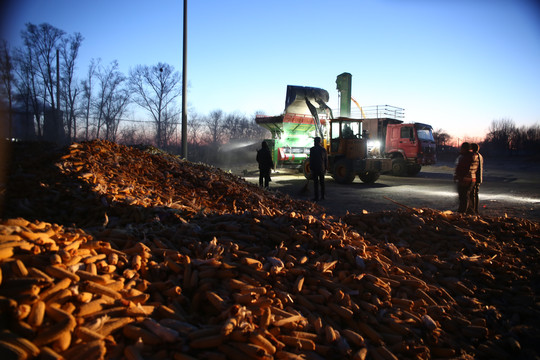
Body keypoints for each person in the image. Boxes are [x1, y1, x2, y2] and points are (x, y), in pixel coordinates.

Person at [454, 142, 479, 213]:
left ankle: (462, 212)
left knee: (463, 197)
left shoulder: (466, 157)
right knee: (467, 196)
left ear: (465, 149)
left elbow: (463, 168)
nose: (460, 149)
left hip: (465, 179)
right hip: (472, 178)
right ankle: (470, 212)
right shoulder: (474, 156)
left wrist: (459, 176)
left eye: (461, 148)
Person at [309, 136, 328, 201]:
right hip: (321, 168)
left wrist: (311, 169)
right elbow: (326, 160)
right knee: (322, 183)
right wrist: (325, 168)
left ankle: (316, 197)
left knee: (316, 183)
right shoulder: (323, 149)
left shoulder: (312, 149)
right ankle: (322, 196)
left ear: (315, 142)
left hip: (315, 168)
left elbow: (311, 160)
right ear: (320, 142)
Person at [469, 143, 484, 214]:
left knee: (472, 194)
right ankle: (475, 209)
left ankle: (472, 209)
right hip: (479, 178)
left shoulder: (474, 156)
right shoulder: (480, 156)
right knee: (475, 194)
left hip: (474, 177)